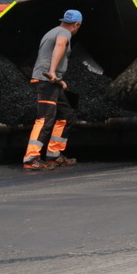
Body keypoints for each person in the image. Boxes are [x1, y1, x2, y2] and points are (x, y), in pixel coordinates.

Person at [22, 9, 83, 170]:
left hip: (50, 81)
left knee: (65, 115)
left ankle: (53, 155)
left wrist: (59, 81)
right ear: (76, 25)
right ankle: (31, 158)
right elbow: (60, 44)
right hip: (45, 80)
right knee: (45, 119)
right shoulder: (64, 33)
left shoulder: (54, 31)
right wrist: (53, 72)